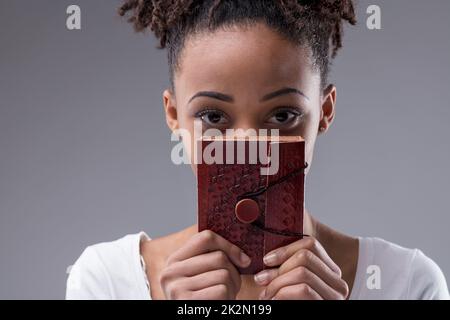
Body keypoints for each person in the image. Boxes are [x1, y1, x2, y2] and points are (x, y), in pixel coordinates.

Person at [66, 0, 449, 300]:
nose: (247, 145)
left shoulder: (407, 283)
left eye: (282, 115)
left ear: (324, 113)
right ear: (174, 115)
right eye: (213, 116)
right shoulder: (107, 279)